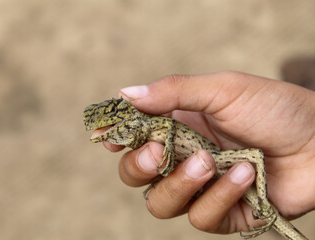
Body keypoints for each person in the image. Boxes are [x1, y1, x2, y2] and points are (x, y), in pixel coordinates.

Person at [103, 71, 315, 235]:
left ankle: (265, 208)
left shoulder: (148, 122)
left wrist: (264, 202)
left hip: (217, 158)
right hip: (213, 169)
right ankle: (266, 211)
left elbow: (169, 126)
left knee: (254, 156)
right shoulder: (140, 136)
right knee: (180, 182)